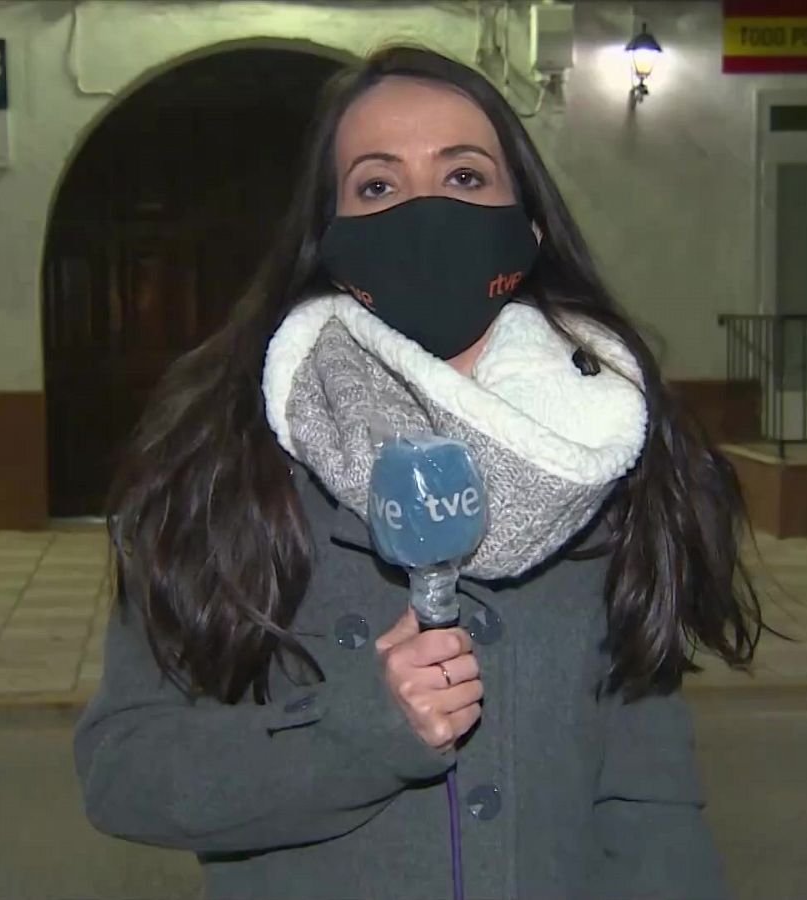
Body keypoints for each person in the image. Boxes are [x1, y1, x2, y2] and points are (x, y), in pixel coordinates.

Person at [74, 46, 764, 900]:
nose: (425, 210)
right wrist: (357, 731)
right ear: (326, 240)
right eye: (378, 186)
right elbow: (125, 770)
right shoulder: (223, 467)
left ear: (529, 227)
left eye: (465, 177)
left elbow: (648, 800)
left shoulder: (609, 459)